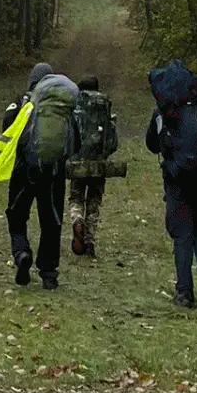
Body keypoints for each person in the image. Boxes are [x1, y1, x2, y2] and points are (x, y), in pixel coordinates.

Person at [146, 59, 197, 310]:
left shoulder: (163, 110)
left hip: (176, 178)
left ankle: (184, 292)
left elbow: (152, 144)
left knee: (182, 234)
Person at [4, 60, 79, 289]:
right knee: (51, 221)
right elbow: (76, 141)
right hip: (54, 172)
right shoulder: (62, 108)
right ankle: (48, 272)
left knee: (17, 214)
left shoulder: (21, 102)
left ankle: (21, 252)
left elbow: (7, 129)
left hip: (24, 169)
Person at [67, 75, 118, 259]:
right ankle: (89, 242)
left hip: (78, 162)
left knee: (76, 197)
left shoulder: (76, 106)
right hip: (98, 163)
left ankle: (77, 220)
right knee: (94, 202)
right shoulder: (104, 107)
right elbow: (113, 142)